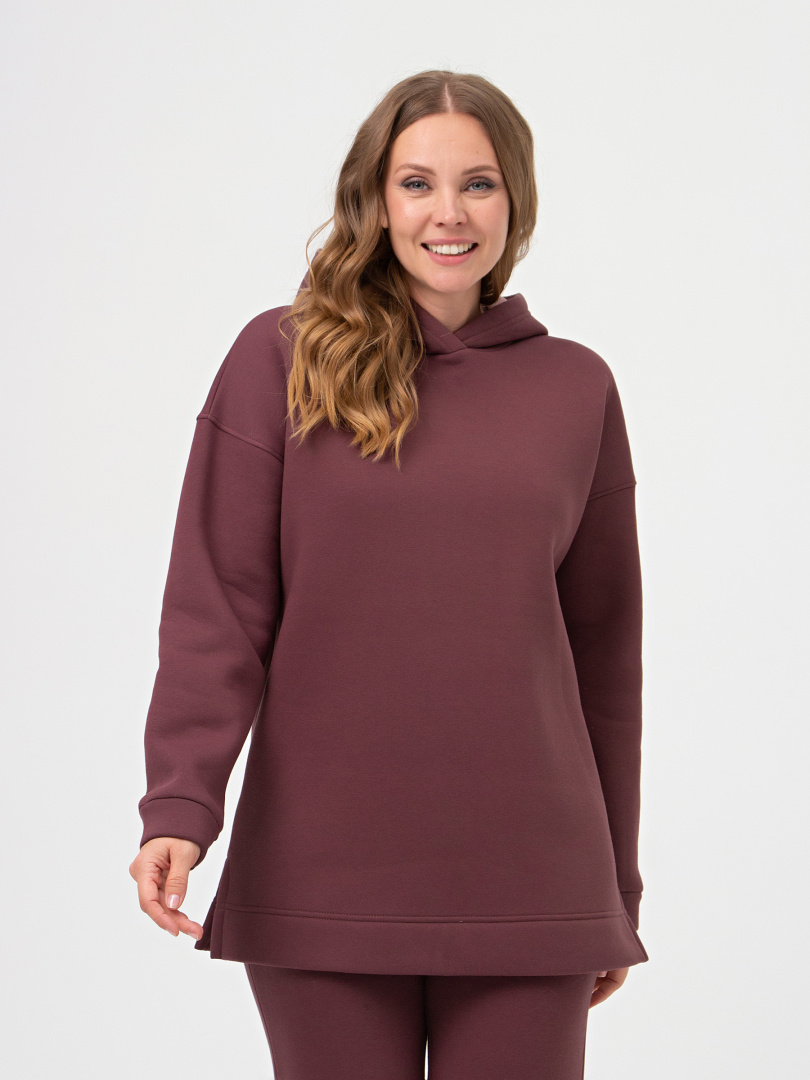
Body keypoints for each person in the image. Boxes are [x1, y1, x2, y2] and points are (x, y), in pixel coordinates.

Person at [129, 69, 649, 1080]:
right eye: (417, 183)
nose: (449, 213)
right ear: (374, 199)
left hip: (533, 875)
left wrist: (614, 889)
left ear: (517, 200)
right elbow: (218, 608)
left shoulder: (576, 386)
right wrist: (180, 808)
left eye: (478, 184)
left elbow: (605, 658)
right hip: (321, 866)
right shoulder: (283, 356)